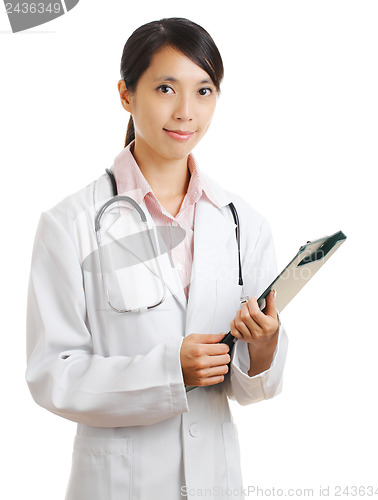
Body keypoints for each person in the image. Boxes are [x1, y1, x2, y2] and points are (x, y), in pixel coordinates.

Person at [26, 17, 288, 500]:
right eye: (166, 88)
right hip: (119, 486)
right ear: (126, 94)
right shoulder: (69, 223)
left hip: (216, 483)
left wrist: (265, 346)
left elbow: (250, 390)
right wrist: (169, 372)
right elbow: (52, 375)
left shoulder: (241, 222)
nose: (186, 111)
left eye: (204, 91)